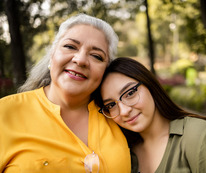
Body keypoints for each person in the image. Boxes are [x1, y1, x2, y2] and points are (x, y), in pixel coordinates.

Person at [0, 14, 131, 173]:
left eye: (96, 56)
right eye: (70, 46)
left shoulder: (121, 117)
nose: (81, 60)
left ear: (105, 70)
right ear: (52, 55)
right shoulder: (5, 113)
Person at [94, 57, 206, 173]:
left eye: (130, 93)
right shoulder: (125, 153)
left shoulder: (200, 137)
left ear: (149, 85)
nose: (124, 111)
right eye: (111, 105)